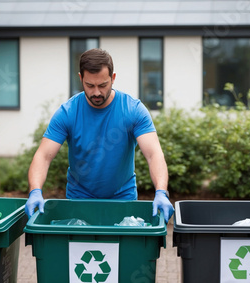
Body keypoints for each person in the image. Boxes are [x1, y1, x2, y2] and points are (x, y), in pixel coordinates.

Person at [24, 48, 174, 223]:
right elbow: (43, 156)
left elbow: (153, 153)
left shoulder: (133, 110)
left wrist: (161, 192)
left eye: (102, 85)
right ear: (80, 78)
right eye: (90, 85)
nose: (96, 92)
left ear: (113, 78)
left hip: (122, 199)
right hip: (79, 199)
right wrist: (35, 191)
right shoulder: (68, 112)